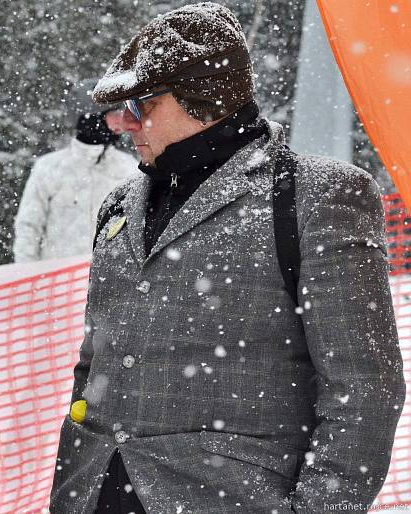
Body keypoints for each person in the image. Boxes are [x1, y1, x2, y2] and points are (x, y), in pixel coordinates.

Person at [50, 3, 405, 514]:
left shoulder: (315, 197)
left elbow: (366, 392)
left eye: (142, 105)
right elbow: (97, 361)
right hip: (94, 494)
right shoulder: (119, 205)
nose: (124, 124)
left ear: (204, 99)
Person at [13, 111, 139, 262]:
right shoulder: (50, 167)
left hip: (110, 278)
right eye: (115, 115)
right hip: (58, 276)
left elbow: (137, 227)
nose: (122, 121)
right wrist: (26, 273)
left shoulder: (128, 168)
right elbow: (29, 224)